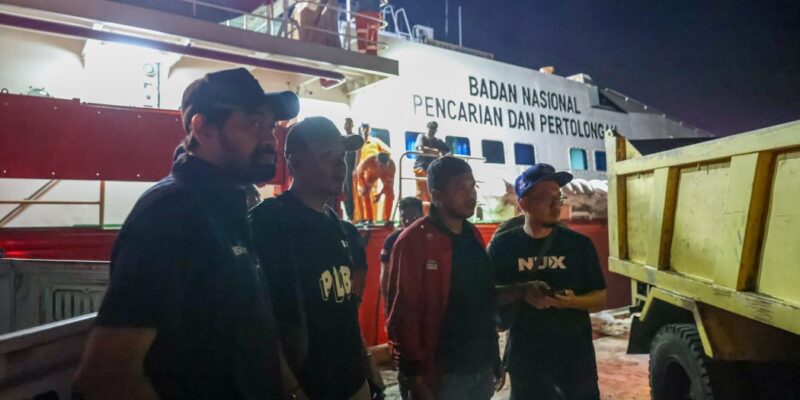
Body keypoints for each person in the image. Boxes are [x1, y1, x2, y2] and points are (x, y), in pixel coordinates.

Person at [73, 68, 300, 399]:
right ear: (202, 128)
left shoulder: (226, 206)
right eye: (252, 124)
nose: (269, 139)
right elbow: (106, 377)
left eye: (271, 127)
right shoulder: (170, 214)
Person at [250, 116, 371, 400]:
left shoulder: (339, 227)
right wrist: (291, 388)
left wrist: (367, 369)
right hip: (308, 387)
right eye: (327, 155)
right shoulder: (270, 223)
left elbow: (345, 309)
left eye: (341, 156)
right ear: (296, 162)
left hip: (353, 382)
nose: (340, 165)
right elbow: (257, 321)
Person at [386, 157, 502, 400]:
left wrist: (494, 356)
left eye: (472, 186)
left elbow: (482, 301)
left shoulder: (473, 235)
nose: (470, 195)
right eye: (460, 188)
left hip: (479, 367)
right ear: (436, 195)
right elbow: (403, 311)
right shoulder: (412, 242)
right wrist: (414, 375)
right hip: (441, 374)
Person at [488, 163, 607, 400]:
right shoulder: (503, 246)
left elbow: (600, 297)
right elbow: (486, 296)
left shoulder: (579, 245)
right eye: (545, 197)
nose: (555, 204)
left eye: (558, 196)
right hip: (528, 362)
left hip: (575, 360)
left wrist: (571, 302)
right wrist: (522, 292)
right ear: (524, 204)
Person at [379, 196, 423, 303]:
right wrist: (386, 300)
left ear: (421, 215)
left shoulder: (431, 239)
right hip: (399, 298)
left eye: (413, 216)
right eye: (404, 216)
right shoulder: (392, 240)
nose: (408, 220)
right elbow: (385, 272)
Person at [413, 121, 450, 209]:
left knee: (430, 192)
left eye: (433, 129)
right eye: (430, 129)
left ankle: (429, 213)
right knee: (420, 192)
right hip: (420, 167)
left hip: (431, 169)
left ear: (436, 130)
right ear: (427, 128)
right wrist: (436, 151)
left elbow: (446, 151)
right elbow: (421, 148)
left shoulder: (438, 141)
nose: (432, 131)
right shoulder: (421, 136)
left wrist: (437, 152)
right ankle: (418, 212)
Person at [355, 152, 396, 224]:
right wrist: (364, 185)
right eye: (380, 166)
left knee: (390, 193)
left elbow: (389, 184)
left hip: (385, 175)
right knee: (365, 192)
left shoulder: (391, 166)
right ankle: (369, 219)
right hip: (371, 173)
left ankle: (386, 219)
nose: (382, 169)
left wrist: (380, 194)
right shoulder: (369, 160)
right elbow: (359, 173)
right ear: (376, 161)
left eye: (384, 167)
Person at [343, 117, 358, 220]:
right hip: (343, 167)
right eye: (346, 124)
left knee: (352, 192)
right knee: (345, 192)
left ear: (352, 125)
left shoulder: (355, 138)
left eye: (349, 124)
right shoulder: (342, 137)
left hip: (352, 168)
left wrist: (355, 168)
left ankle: (353, 215)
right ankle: (349, 215)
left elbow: (358, 153)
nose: (347, 126)